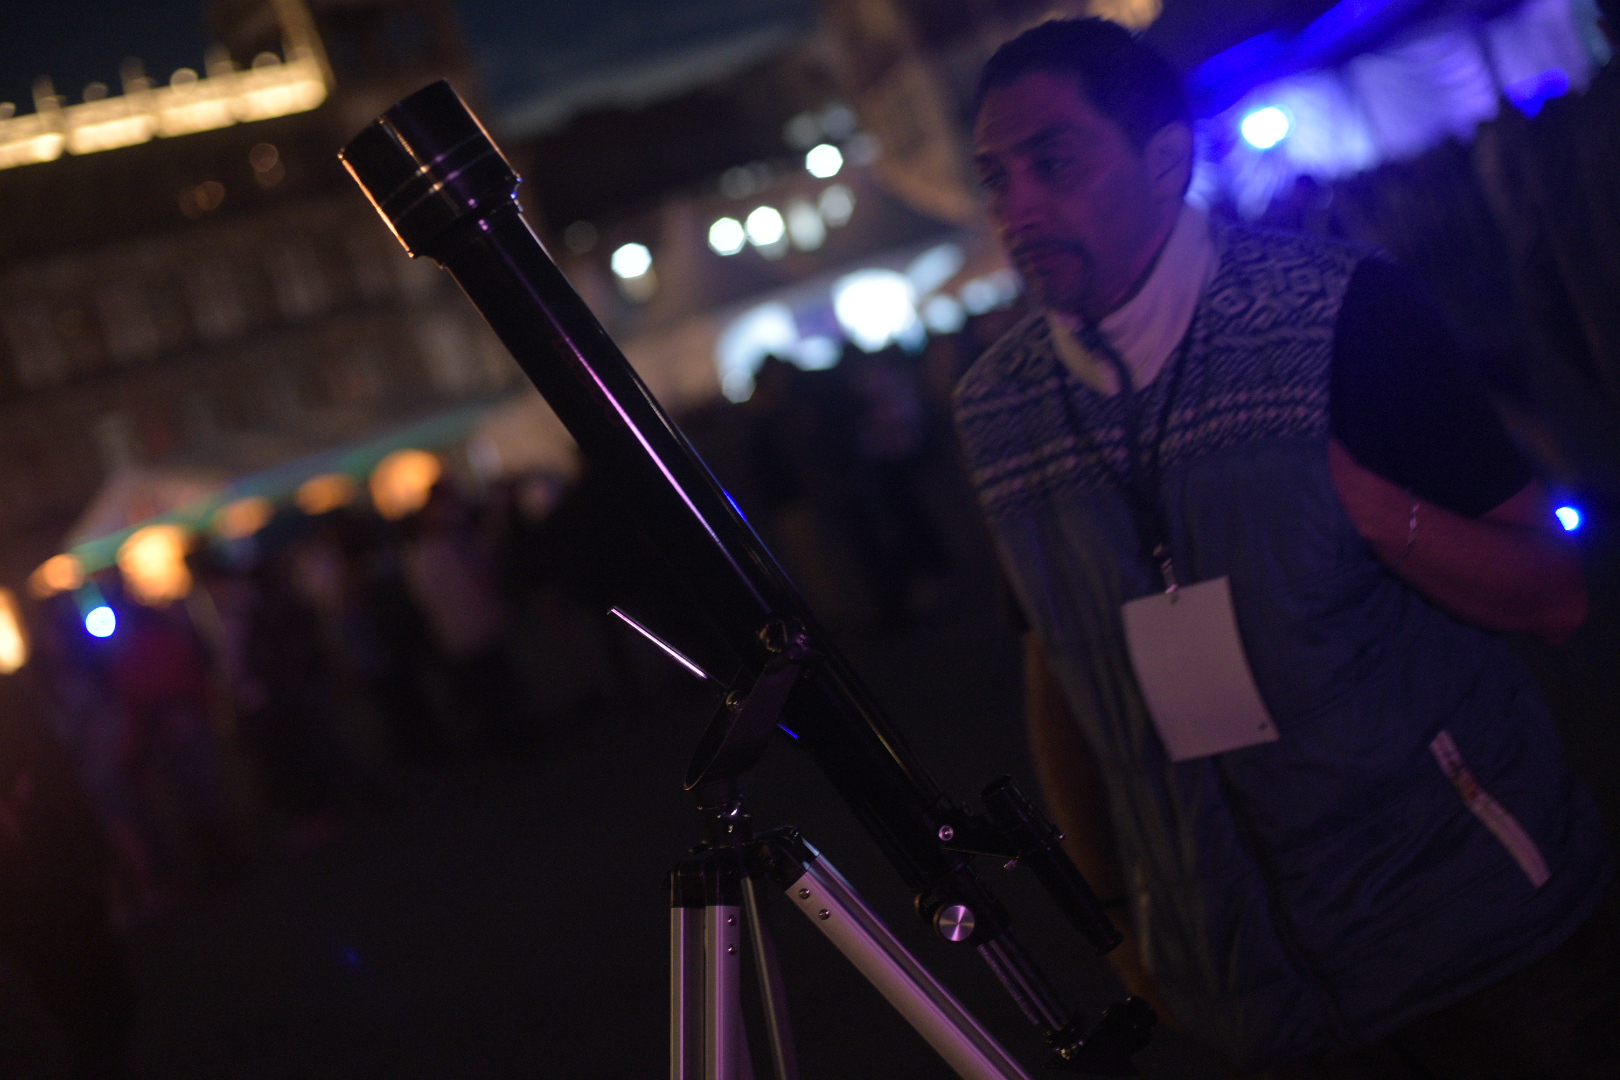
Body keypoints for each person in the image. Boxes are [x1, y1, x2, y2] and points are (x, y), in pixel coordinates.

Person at [954, 18, 1617, 1078]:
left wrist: (1365, 509)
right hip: (1247, 996)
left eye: (1053, 163)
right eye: (995, 176)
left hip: (1480, 938)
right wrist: (1115, 911)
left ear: (1164, 158)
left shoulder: (1343, 311)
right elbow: (1055, 662)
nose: (1015, 207)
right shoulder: (1001, 409)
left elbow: (1554, 593)